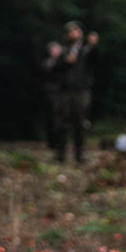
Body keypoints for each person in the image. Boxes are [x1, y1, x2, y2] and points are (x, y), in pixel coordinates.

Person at [53, 20, 99, 165]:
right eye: (71, 31)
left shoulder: (86, 51)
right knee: (62, 123)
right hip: (65, 92)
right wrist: (65, 61)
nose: (74, 33)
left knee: (80, 123)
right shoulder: (63, 51)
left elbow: (96, 61)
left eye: (76, 30)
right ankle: (60, 155)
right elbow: (54, 70)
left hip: (81, 91)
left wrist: (92, 45)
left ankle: (80, 155)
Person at [40, 40, 64, 150]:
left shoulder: (63, 63)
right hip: (51, 93)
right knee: (53, 118)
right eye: (54, 50)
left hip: (62, 93)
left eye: (58, 49)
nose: (56, 52)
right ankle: (53, 143)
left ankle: (60, 142)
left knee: (61, 119)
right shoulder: (47, 63)